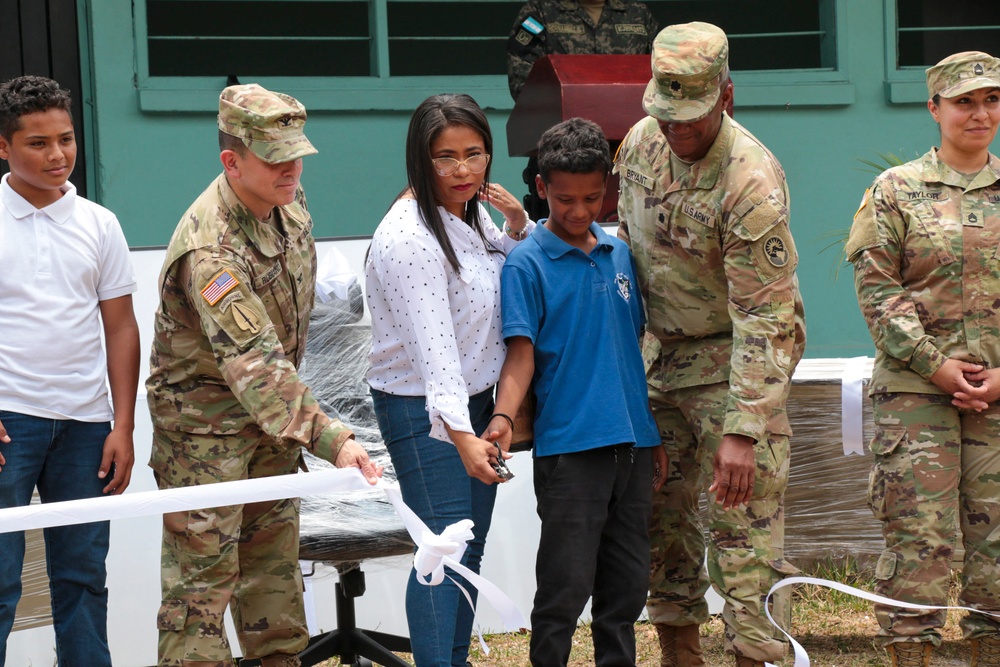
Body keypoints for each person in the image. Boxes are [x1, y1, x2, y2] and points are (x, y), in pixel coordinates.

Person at [146, 83, 381, 667]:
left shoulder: (287, 203)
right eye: (276, 159)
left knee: (274, 587)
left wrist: (305, 429)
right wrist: (333, 439)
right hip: (206, 439)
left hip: (271, 428)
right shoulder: (210, 250)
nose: (292, 169)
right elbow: (254, 359)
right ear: (233, 161)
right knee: (200, 594)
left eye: (297, 154)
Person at [615, 22, 807, 667]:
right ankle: (681, 653)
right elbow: (628, 256)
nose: (677, 129)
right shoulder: (640, 145)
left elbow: (768, 314)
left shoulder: (751, 180)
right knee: (660, 518)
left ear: (726, 96)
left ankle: (758, 654)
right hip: (659, 362)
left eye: (691, 116)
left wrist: (744, 430)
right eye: (666, 114)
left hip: (734, 362)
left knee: (742, 531)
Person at [365, 93, 531, 667]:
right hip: (427, 411)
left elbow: (498, 275)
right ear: (420, 158)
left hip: (475, 403)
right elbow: (435, 352)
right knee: (441, 551)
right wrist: (462, 434)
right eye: (445, 157)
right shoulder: (410, 237)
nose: (462, 170)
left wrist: (516, 225)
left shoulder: (469, 212)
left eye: (474, 154)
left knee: (467, 549)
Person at [492, 117, 665, 667]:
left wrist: (652, 434)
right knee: (564, 589)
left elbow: (630, 349)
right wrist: (501, 417)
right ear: (541, 188)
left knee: (627, 588)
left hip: (633, 446)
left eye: (592, 197)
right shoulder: (526, 263)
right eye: (565, 199)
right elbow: (520, 355)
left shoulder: (618, 255)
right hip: (571, 450)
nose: (579, 211)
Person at [846, 51, 1000, 667]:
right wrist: (938, 365)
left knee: (997, 542)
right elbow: (878, 290)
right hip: (915, 394)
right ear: (934, 108)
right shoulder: (895, 191)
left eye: (991, 99)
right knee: (920, 540)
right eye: (964, 101)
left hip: (998, 395)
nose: (979, 113)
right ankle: (915, 657)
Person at [0, 75, 140, 667]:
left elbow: (122, 327)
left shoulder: (99, 223)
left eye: (66, 139)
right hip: (9, 423)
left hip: (87, 426)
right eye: (38, 143)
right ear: (3, 146)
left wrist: (124, 426)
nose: (57, 155)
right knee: (1, 578)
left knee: (83, 577)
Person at [506, 0, 658, 101]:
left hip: (629, 128)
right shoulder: (540, 11)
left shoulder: (638, 13)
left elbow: (659, 71)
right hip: (562, 133)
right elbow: (522, 81)